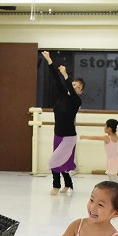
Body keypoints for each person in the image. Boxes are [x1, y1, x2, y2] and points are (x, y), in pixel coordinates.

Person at [40, 51, 83, 194]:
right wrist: (49, 60)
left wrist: (65, 74)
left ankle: (56, 185)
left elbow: (69, 86)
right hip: (58, 134)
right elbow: (56, 78)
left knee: (54, 161)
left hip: (69, 137)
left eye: (78, 87)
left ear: (80, 92)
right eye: (74, 85)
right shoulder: (63, 95)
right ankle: (68, 183)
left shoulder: (76, 101)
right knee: (61, 161)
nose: (75, 87)